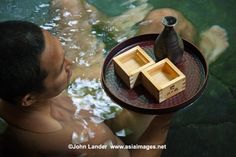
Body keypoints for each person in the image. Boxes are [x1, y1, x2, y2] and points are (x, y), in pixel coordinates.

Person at [0, 20, 172, 157]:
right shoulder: (86, 141)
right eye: (61, 67)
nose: (71, 64)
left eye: (63, 54)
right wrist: (164, 117)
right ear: (29, 98)